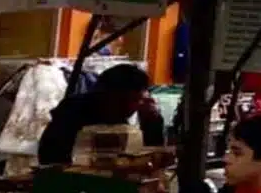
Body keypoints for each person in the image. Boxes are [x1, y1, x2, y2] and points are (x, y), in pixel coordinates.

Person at [37, 63, 165, 166]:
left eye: (139, 100)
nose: (137, 106)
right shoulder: (72, 113)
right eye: (134, 100)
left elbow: (150, 159)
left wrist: (152, 122)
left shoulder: (122, 119)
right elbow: (50, 158)